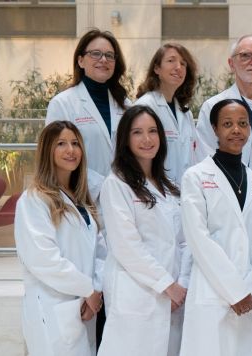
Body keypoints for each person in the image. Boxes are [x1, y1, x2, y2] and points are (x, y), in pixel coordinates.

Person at [180, 99, 252, 356]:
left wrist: (250, 288)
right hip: (213, 292)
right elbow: (199, 238)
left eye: (243, 124)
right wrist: (234, 290)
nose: (236, 130)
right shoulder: (196, 177)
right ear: (214, 129)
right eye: (228, 124)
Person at [97, 106, 190, 356]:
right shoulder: (116, 184)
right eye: (137, 132)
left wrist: (181, 284)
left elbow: (183, 240)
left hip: (173, 296)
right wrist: (167, 285)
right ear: (125, 139)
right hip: (138, 292)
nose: (147, 139)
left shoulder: (169, 187)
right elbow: (126, 246)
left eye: (152, 131)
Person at [14, 121, 104, 356]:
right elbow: (44, 260)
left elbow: (101, 251)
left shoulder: (81, 200)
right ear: (47, 151)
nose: (70, 150)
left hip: (83, 307)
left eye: (75, 143)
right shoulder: (33, 200)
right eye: (61, 144)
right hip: (52, 307)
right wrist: (88, 290)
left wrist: (95, 289)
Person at [47, 29, 132, 199]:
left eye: (109, 55)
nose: (103, 60)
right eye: (95, 54)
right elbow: (56, 155)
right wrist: (102, 187)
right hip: (82, 196)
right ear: (80, 60)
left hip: (124, 196)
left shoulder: (126, 105)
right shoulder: (62, 103)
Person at [195, 35, 252, 173]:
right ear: (231, 64)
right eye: (245, 56)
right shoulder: (212, 107)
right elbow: (205, 159)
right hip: (224, 190)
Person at [135, 43, 199, 183]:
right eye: (171, 61)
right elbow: (136, 157)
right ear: (157, 68)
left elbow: (194, 155)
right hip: (155, 193)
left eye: (183, 64)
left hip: (185, 193)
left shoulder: (184, 112)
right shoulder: (145, 106)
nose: (178, 67)